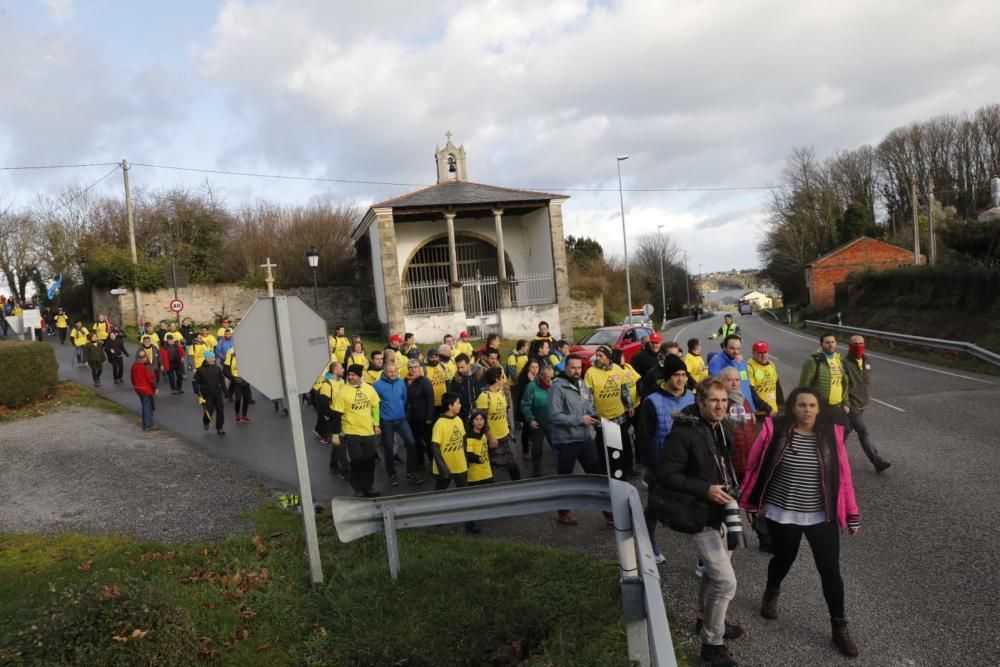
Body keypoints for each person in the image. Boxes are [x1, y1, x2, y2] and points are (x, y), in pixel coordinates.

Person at [740, 387, 861, 658]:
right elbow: (754, 466)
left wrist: (852, 514)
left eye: (812, 405)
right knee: (783, 558)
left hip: (822, 514)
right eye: (801, 405)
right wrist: (750, 501)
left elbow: (845, 479)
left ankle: (839, 627)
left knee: (830, 570)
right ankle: (771, 591)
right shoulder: (775, 432)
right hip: (784, 512)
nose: (807, 410)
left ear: (819, 409)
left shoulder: (832, 436)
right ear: (792, 408)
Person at [652, 377, 742, 667]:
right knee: (726, 582)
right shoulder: (684, 432)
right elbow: (666, 474)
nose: (720, 406)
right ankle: (711, 644)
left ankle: (704, 619)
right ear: (700, 402)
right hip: (699, 513)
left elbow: (725, 466)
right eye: (714, 400)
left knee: (712, 575)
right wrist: (704, 489)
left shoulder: (720, 428)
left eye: (724, 400)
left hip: (721, 509)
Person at [637, 354, 695, 562]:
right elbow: (643, 438)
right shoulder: (652, 402)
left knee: (696, 508)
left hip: (686, 467)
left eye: (683, 375)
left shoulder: (692, 398)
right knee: (654, 507)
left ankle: (703, 558)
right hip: (660, 465)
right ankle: (648, 545)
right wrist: (654, 466)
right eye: (676, 375)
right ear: (667, 377)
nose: (680, 379)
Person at [548, 355, 601, 526]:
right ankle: (563, 513)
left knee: (597, 474)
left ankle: (610, 514)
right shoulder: (557, 387)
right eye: (573, 368)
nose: (577, 371)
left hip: (586, 438)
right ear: (565, 368)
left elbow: (588, 405)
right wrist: (580, 419)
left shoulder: (582, 383)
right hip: (566, 441)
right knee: (566, 478)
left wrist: (593, 414)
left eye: (579, 368)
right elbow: (554, 416)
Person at [585, 345, 634, 484]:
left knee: (622, 446)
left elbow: (624, 390)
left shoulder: (618, 369)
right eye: (597, 355)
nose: (597, 358)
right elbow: (586, 397)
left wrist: (629, 405)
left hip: (619, 416)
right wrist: (593, 415)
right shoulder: (590, 373)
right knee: (603, 448)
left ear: (608, 357)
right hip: (602, 419)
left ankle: (623, 473)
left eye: (601, 355)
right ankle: (605, 475)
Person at [331, 364, 382, 497]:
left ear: (360, 376)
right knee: (357, 461)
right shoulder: (343, 391)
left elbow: (375, 406)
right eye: (349, 374)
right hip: (352, 432)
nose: (350, 377)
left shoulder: (369, 389)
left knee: (369, 461)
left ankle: (369, 486)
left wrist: (376, 424)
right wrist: (335, 434)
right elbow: (337, 415)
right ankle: (357, 488)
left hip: (368, 431)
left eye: (353, 375)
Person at [844, 335, 891, 473]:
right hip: (852, 405)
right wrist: (846, 403)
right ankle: (877, 461)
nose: (858, 346)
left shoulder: (866, 360)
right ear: (849, 345)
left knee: (844, 432)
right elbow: (843, 386)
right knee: (863, 432)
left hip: (862, 404)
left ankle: (827, 453)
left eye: (861, 343)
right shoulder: (844, 363)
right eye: (855, 344)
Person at [373, 363, 420, 486]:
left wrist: (399, 410)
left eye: (395, 371)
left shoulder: (401, 383)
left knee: (411, 443)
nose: (393, 374)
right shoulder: (377, 386)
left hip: (401, 419)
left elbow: (404, 399)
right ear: (384, 372)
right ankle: (391, 475)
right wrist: (376, 423)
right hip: (386, 421)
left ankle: (410, 473)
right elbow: (374, 405)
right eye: (390, 372)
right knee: (388, 448)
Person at [476, 367, 521, 481]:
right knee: (490, 468)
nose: (504, 379)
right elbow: (482, 421)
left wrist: (509, 431)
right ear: (497, 379)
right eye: (502, 377)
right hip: (493, 439)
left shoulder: (501, 393)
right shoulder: (484, 396)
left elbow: (505, 415)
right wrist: (490, 438)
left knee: (513, 465)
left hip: (505, 437)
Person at [799, 333, 850, 425]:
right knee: (820, 435)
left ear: (836, 343)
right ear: (821, 344)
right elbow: (804, 385)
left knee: (839, 434)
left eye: (832, 342)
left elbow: (844, 383)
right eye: (827, 342)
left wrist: (846, 403)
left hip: (838, 407)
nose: (830, 344)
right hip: (820, 407)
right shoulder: (814, 360)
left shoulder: (839, 360)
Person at [720, 367, 755, 479]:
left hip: (748, 462)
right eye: (730, 380)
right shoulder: (721, 402)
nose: (735, 383)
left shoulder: (744, 401)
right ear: (722, 382)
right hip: (731, 466)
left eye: (737, 379)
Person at [520, 364, 554, 477]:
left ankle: (561, 465)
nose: (549, 381)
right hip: (538, 423)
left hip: (552, 423)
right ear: (541, 375)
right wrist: (531, 420)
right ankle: (536, 469)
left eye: (551, 378)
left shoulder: (553, 385)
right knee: (537, 448)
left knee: (557, 444)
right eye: (547, 378)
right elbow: (525, 405)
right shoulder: (531, 387)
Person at [707, 335, 757, 413]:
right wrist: (735, 364)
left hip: (748, 409)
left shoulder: (742, 363)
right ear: (724, 347)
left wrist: (752, 409)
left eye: (738, 349)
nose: (735, 352)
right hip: (730, 410)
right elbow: (718, 388)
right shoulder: (715, 363)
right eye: (732, 348)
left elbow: (746, 386)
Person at [463, 408, 493, 533]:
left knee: (486, 495)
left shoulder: (483, 435)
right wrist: (477, 458)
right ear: (472, 422)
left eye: (482, 419)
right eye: (476, 419)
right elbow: (468, 454)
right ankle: (471, 523)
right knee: (474, 499)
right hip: (475, 475)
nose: (480, 422)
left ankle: (477, 517)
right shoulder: (470, 437)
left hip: (486, 471)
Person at [431, 393, 468, 490]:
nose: (460, 405)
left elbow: (464, 441)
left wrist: (466, 460)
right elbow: (435, 447)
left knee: (464, 493)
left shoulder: (459, 420)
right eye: (458, 403)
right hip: (444, 468)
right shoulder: (439, 424)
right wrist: (443, 468)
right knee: (439, 494)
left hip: (460, 465)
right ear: (450, 406)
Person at [405, 358, 435, 472]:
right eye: (411, 367)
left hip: (424, 417)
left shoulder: (425, 381)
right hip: (411, 418)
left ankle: (433, 459)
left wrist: (429, 417)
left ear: (420, 368)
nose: (413, 370)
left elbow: (430, 399)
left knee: (428, 440)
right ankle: (420, 462)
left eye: (415, 367)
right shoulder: (405, 381)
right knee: (416, 441)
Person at [194, 351, 227, 435]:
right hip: (207, 394)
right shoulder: (200, 370)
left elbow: (222, 381)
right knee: (209, 410)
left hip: (217, 393)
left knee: (220, 410)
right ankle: (206, 421)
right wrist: (198, 392)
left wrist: (226, 391)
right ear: (207, 359)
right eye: (212, 358)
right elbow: (195, 382)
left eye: (214, 357)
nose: (214, 359)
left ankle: (219, 428)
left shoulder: (217, 368)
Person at [747, 341, 783, 416]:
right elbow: (751, 393)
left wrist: (781, 404)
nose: (763, 355)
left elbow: (777, 386)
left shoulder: (771, 364)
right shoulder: (749, 367)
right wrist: (767, 409)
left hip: (773, 411)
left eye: (765, 352)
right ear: (753, 353)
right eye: (760, 353)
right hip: (759, 412)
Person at [448, 353, 483, 422]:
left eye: (462, 367)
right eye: (458, 368)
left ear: (468, 364)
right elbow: (453, 399)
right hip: (463, 416)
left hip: (479, 415)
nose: (460, 370)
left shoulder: (479, 376)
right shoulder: (455, 380)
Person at [223, 348, 252, 424]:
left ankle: (244, 416)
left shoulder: (247, 355)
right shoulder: (231, 355)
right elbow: (225, 370)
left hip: (245, 380)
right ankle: (237, 414)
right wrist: (233, 378)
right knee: (238, 398)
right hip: (236, 381)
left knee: (246, 398)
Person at [131, 354, 158, 431]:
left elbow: (132, 378)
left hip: (138, 388)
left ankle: (147, 423)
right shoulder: (144, 367)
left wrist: (135, 385)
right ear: (144, 358)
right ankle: (148, 425)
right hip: (145, 389)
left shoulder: (134, 366)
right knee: (147, 407)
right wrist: (155, 387)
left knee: (145, 405)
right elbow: (150, 379)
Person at [424, 347, 449, 416]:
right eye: (432, 357)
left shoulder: (442, 366)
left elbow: (447, 382)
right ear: (428, 358)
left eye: (436, 357)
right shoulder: (423, 369)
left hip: (443, 402)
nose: (434, 359)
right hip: (431, 404)